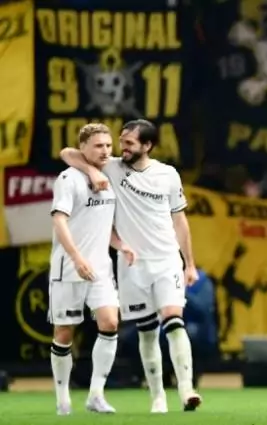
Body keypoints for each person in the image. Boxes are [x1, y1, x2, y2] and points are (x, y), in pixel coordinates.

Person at [60, 119, 202, 413]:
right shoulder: (112, 167)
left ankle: (187, 390)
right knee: (147, 331)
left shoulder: (168, 174)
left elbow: (180, 221)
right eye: (121, 141)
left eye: (128, 143)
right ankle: (158, 397)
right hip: (132, 264)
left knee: (173, 320)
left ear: (147, 145)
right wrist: (91, 171)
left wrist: (190, 263)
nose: (121, 147)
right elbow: (67, 153)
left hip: (166, 260)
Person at [49, 123, 136, 415]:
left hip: (100, 267)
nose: (106, 151)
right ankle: (63, 399)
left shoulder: (111, 174)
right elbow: (59, 221)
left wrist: (121, 245)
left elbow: (103, 224)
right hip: (69, 267)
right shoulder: (68, 178)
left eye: (109, 146)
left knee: (110, 322)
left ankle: (96, 395)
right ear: (83, 147)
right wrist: (76, 258)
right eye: (99, 146)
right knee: (64, 333)